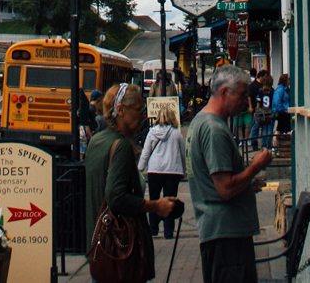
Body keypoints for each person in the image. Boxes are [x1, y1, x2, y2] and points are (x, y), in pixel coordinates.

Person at [186, 65, 272, 283]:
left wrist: (246, 185)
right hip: (227, 236)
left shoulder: (199, 123)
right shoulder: (214, 130)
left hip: (219, 233)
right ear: (224, 92)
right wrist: (255, 166)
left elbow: (213, 181)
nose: (245, 101)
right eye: (242, 95)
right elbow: (224, 188)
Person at [86, 83, 178, 281]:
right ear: (120, 110)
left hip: (99, 250)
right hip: (120, 254)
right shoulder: (121, 148)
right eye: (138, 109)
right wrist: (155, 206)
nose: (143, 115)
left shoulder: (97, 141)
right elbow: (116, 198)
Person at [138, 104, 185, 240]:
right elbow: (182, 153)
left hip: (155, 169)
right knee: (170, 200)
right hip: (172, 170)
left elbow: (145, 152)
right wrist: (183, 169)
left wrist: (140, 168)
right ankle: (168, 232)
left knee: (154, 199)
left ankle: (153, 229)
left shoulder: (152, 132)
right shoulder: (176, 134)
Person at [272, 74, 290, 148]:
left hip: (285, 112)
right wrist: (282, 110)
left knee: (283, 129)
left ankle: (278, 146)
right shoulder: (280, 89)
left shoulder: (286, 89)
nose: (289, 81)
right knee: (280, 130)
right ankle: (275, 146)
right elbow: (277, 101)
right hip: (282, 112)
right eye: (288, 79)